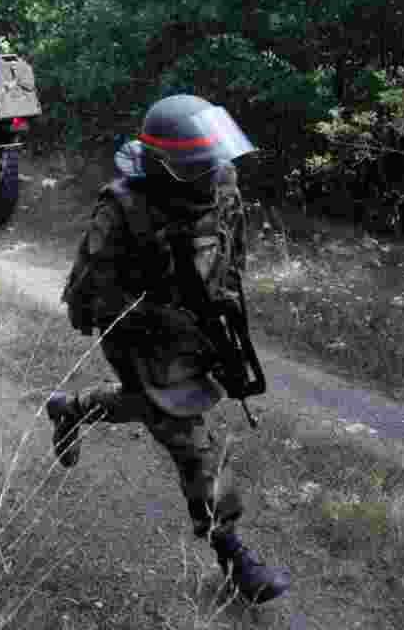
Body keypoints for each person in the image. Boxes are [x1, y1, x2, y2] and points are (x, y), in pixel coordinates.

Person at [53, 94, 291, 604]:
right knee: (188, 436)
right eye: (197, 168)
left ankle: (71, 408)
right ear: (166, 167)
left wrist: (218, 310)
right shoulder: (121, 206)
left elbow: (231, 247)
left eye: (211, 164)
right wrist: (162, 316)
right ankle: (234, 554)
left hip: (195, 324)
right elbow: (96, 296)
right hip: (138, 334)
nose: (210, 175)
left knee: (149, 407)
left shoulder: (222, 181)